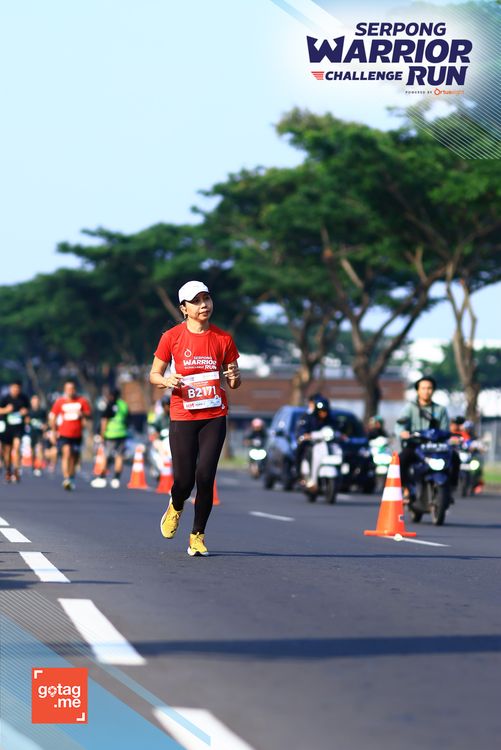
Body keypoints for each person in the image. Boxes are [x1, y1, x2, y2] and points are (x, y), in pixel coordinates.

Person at [150, 280, 241, 557]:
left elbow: (234, 381)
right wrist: (167, 381)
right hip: (183, 415)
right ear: (184, 308)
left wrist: (235, 377)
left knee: (205, 476)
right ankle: (176, 505)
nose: (204, 305)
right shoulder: (172, 337)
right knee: (184, 480)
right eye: (197, 301)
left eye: (207, 299)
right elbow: (154, 375)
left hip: (214, 415)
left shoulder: (223, 339)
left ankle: (197, 536)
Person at [396, 376, 457, 496]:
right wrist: (403, 432)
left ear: (433, 390)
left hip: (435, 446)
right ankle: (406, 487)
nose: (426, 391)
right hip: (416, 445)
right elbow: (399, 426)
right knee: (401, 460)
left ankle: (451, 487)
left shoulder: (440, 409)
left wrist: (451, 438)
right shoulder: (410, 408)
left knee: (455, 457)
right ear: (418, 390)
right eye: (423, 388)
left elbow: (445, 430)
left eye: (429, 388)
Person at [49, 379, 92, 491]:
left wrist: (82, 414)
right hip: (64, 433)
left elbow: (89, 414)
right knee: (66, 453)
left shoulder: (81, 401)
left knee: (74, 457)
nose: (70, 391)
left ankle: (71, 476)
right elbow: (52, 416)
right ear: (65, 390)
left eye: (72, 389)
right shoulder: (60, 402)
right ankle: (66, 478)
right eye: (68, 389)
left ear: (75, 389)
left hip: (77, 434)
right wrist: (53, 432)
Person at [296, 395, 338, 489]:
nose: (323, 414)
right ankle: (300, 476)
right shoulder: (308, 417)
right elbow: (302, 430)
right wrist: (305, 436)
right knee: (300, 451)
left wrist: (340, 435)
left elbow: (335, 429)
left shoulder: (331, 419)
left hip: (326, 445)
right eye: (321, 411)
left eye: (325, 411)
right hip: (312, 444)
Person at [91, 388, 129, 489]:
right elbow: (127, 418)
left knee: (106, 455)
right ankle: (116, 478)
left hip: (110, 434)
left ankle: (102, 477)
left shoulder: (110, 404)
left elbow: (104, 420)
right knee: (119, 456)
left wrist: (102, 434)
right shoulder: (123, 405)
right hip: (121, 433)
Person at [0, 380, 30, 483]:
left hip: (18, 428)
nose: (15, 390)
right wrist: (6, 410)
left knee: (17, 447)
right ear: (10, 388)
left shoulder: (24, 398)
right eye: (13, 388)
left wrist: (25, 413)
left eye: (17, 388)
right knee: (7, 451)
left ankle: (16, 470)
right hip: (7, 428)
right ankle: (8, 470)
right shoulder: (5, 398)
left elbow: (28, 411)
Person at [28, 394, 48, 476]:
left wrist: (45, 428)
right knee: (33, 450)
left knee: (40, 448)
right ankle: (33, 465)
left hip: (40, 433)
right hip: (31, 433)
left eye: (37, 401)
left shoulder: (42, 411)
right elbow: (26, 421)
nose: (35, 403)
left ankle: (39, 466)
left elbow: (46, 422)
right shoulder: (29, 411)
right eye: (34, 401)